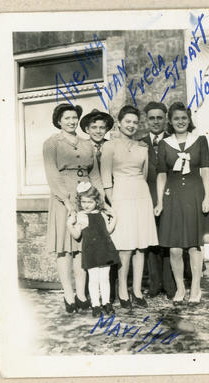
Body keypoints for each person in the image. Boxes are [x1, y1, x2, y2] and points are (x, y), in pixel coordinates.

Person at [154, 102, 209, 305]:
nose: (180, 121)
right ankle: (180, 287)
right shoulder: (165, 144)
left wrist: (208, 197)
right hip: (172, 199)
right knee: (174, 248)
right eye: (176, 119)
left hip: (194, 196)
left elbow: (205, 171)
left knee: (193, 246)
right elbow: (161, 175)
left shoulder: (199, 140)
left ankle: (196, 287)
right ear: (170, 122)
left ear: (188, 120)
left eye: (183, 118)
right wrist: (160, 201)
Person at [43, 103, 102, 314]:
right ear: (59, 121)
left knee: (82, 247)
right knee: (65, 247)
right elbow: (52, 175)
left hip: (86, 197)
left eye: (74, 117)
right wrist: (67, 201)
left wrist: (100, 199)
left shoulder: (87, 145)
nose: (71, 121)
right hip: (63, 198)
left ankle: (82, 294)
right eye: (67, 118)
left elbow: (94, 174)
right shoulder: (52, 143)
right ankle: (68, 294)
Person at [101, 105, 158, 309]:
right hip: (120, 196)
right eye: (128, 121)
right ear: (119, 123)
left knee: (141, 246)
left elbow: (143, 174)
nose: (131, 125)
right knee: (125, 247)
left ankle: (136, 291)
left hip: (140, 196)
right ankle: (123, 290)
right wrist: (112, 203)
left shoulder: (143, 147)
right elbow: (106, 178)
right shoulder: (109, 146)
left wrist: (139, 192)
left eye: (135, 122)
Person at [80, 108, 118, 303]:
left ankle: (109, 294)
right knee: (92, 247)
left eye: (102, 127)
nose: (98, 130)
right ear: (87, 129)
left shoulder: (111, 146)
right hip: (91, 200)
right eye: (94, 127)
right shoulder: (83, 147)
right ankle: (92, 296)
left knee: (109, 244)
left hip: (111, 194)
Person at [67, 181, 120, 317]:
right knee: (94, 279)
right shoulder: (82, 216)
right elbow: (77, 235)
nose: (86, 205)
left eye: (89, 202)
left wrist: (114, 217)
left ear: (96, 201)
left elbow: (108, 230)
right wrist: (69, 225)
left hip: (105, 250)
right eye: (83, 202)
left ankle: (106, 303)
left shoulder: (102, 214)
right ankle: (95, 305)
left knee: (105, 278)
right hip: (91, 252)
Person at [142, 101, 176, 299]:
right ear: (147, 120)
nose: (156, 122)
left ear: (165, 119)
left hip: (170, 198)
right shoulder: (139, 143)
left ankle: (170, 285)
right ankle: (154, 285)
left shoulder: (174, 141)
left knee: (170, 241)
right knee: (152, 243)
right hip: (147, 199)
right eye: (152, 118)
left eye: (159, 118)